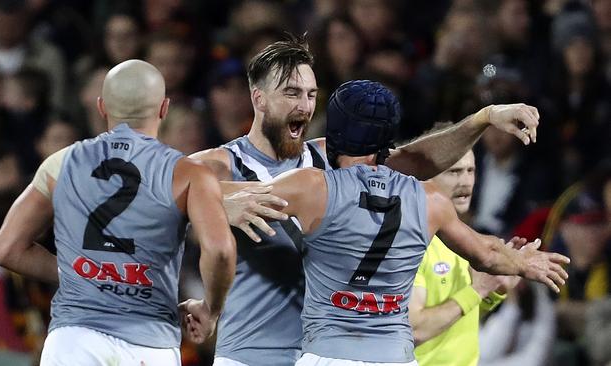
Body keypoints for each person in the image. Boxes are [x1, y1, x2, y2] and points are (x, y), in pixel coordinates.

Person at [191, 35, 542, 366]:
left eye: (312, 95)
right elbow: (154, 195)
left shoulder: (328, 162)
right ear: (259, 98)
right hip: (253, 354)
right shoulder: (218, 166)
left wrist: (483, 119)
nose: (304, 105)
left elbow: (417, 161)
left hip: (323, 351)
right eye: (292, 93)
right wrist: (214, 200)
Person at [0, 59, 237, 365]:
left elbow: (5, 250)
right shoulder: (189, 173)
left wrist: (84, 274)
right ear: (164, 108)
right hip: (149, 344)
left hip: (73, 341)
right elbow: (220, 251)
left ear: (102, 107)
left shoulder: (60, 163)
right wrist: (210, 310)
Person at [409, 148, 520, 366]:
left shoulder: (465, 240)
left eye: (471, 171)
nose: (465, 181)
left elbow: (455, 320)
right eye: (454, 172)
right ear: (425, 178)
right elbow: (415, 330)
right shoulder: (412, 243)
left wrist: (495, 288)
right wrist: (477, 290)